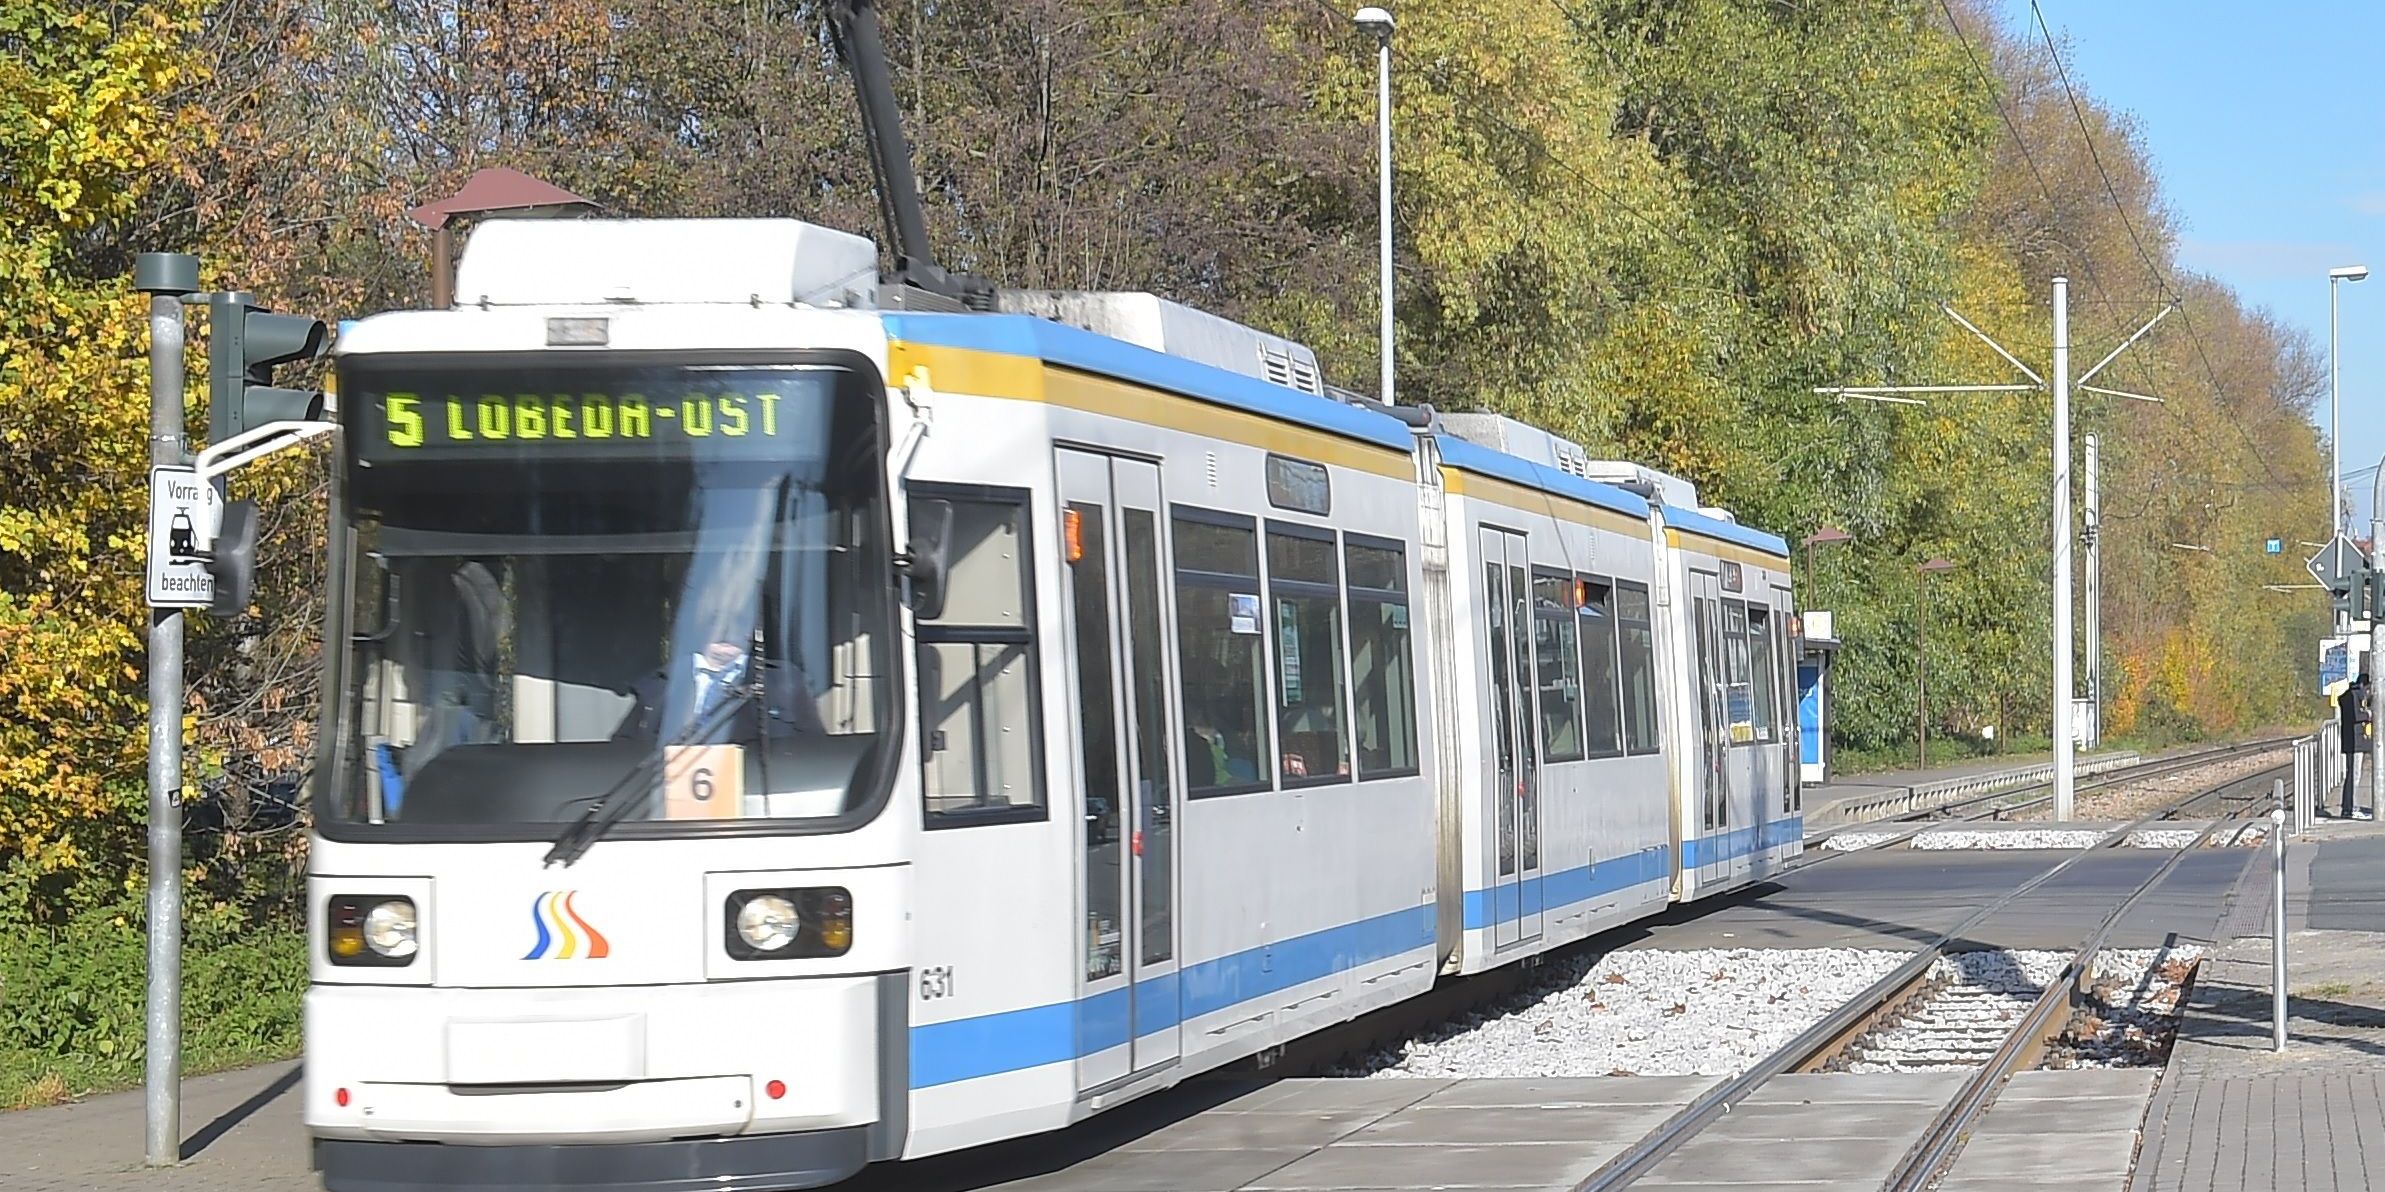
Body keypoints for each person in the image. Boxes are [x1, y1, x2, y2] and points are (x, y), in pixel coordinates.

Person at [2340, 673, 2373, 819]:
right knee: (2354, 775)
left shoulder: (2348, 695)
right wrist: (2369, 714)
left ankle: (2348, 807)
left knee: (2352, 775)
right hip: (2355, 741)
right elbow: (2356, 716)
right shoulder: (2355, 696)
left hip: (2351, 741)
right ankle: (2351, 808)